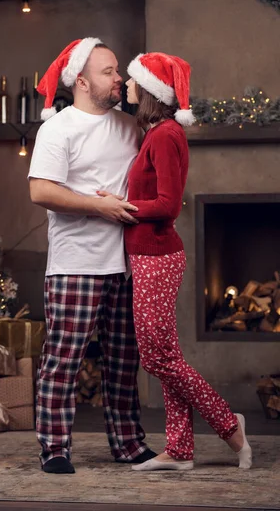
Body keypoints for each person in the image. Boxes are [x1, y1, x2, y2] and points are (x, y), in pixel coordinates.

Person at [99, 51, 252, 471]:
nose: (125, 86)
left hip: (158, 257)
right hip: (147, 255)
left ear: (148, 89)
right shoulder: (155, 133)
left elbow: (168, 204)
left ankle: (228, 425)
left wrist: (122, 206)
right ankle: (180, 449)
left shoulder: (166, 135)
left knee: (156, 358)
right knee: (165, 351)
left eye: (130, 80)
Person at [28, 38, 157, 474]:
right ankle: (55, 448)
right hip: (74, 264)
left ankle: (128, 445)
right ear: (81, 81)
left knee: (124, 363)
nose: (120, 78)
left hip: (127, 262)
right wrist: (100, 205)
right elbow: (41, 190)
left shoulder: (130, 126)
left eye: (118, 70)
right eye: (110, 72)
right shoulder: (58, 129)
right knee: (63, 360)